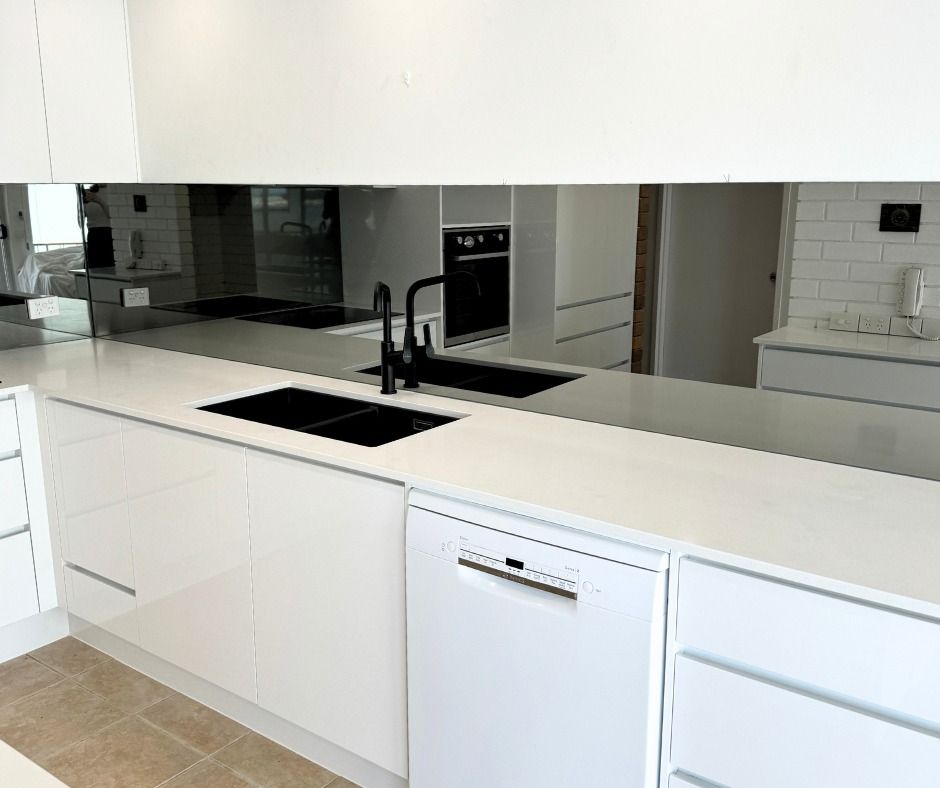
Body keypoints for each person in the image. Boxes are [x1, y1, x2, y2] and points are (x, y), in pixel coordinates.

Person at [82, 185, 113, 268]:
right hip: (93, 234)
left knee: (108, 265)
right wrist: (82, 202)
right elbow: (80, 219)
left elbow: (112, 215)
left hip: (106, 233)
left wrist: (97, 199)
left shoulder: (111, 191)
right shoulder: (86, 193)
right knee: (94, 265)